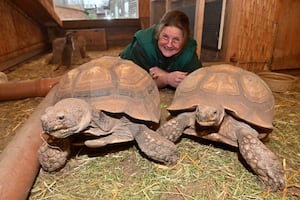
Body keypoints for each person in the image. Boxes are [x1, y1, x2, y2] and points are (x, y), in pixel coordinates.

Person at [120, 10, 202, 88]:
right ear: (158, 34)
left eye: (176, 40)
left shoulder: (189, 51)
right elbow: (136, 83)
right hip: (124, 66)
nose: (169, 44)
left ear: (184, 41)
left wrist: (164, 75)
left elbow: (197, 80)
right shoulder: (142, 46)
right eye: (165, 37)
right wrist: (167, 79)